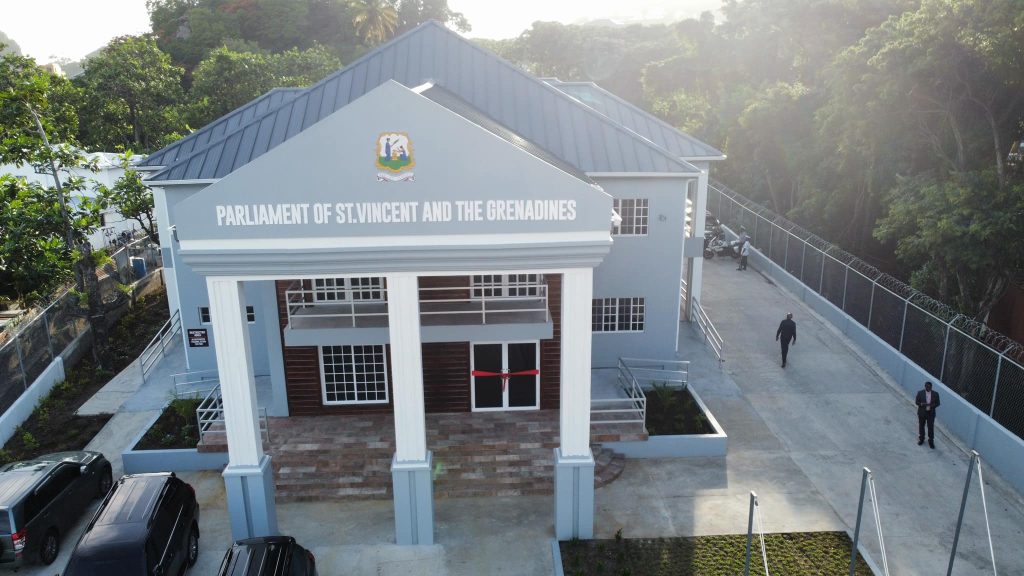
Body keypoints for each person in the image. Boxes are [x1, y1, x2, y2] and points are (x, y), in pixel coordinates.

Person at [916, 381, 941, 448]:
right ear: (925, 387)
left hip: (931, 414)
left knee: (930, 427)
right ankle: (921, 439)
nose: (928, 388)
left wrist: (932, 405)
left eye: (930, 387)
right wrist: (922, 404)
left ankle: (931, 441)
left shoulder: (935, 394)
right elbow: (917, 402)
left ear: (931, 387)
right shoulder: (920, 393)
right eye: (927, 387)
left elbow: (938, 403)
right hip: (922, 413)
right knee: (921, 426)